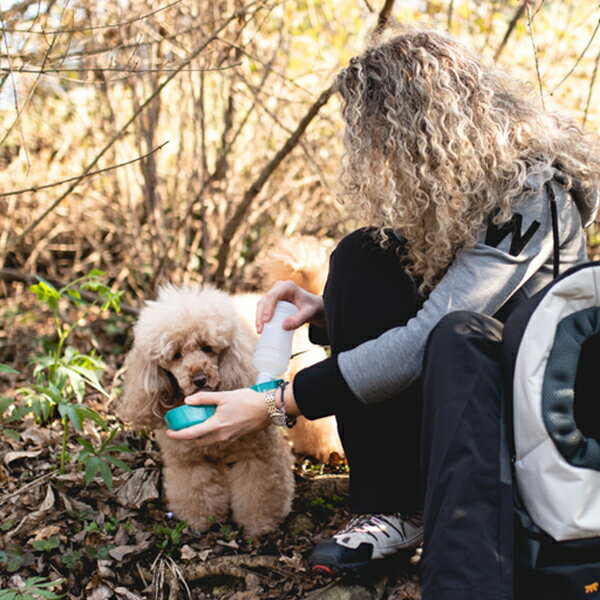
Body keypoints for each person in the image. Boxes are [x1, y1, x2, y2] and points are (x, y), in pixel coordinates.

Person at [166, 30, 600, 600]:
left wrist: (276, 403)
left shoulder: (534, 193)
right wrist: (327, 311)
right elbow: (431, 295)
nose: (381, 156)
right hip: (459, 377)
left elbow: (436, 336)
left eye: (386, 138)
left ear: (432, 126)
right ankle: (390, 508)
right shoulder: (465, 189)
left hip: (525, 416)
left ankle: (458, 524)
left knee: (451, 336)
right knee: (361, 256)